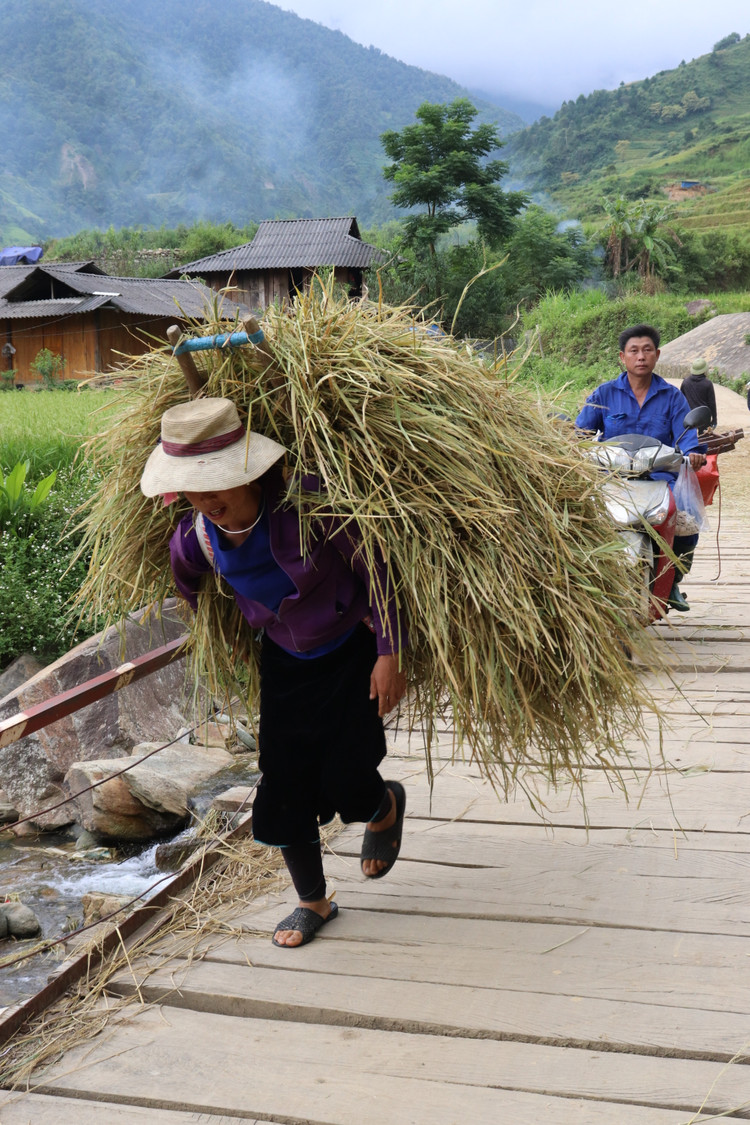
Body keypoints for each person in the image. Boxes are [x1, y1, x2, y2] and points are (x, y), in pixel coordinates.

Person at [140, 397, 408, 947]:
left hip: (349, 650)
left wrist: (389, 653)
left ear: (250, 470)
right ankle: (314, 901)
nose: (206, 499)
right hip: (284, 661)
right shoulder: (196, 537)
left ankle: (383, 807)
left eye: (216, 482)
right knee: (284, 785)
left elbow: (378, 574)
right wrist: (221, 635)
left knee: (350, 780)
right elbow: (188, 586)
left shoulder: (311, 509)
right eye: (192, 487)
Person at [576, 324, 706, 613]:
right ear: (622, 357)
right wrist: (570, 444)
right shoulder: (604, 394)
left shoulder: (673, 397)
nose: (641, 356)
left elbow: (687, 438)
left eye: (647, 350)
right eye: (633, 351)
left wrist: (693, 454)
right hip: (613, 480)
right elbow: (581, 433)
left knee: (688, 526)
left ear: (657, 355)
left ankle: (672, 581)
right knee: (579, 525)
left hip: (659, 479)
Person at [681, 358, 717, 429]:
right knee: (704, 438)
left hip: (690, 416)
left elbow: (681, 400)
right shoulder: (707, 383)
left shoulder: (685, 382)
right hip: (703, 416)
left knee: (690, 438)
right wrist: (714, 420)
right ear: (704, 370)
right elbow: (712, 403)